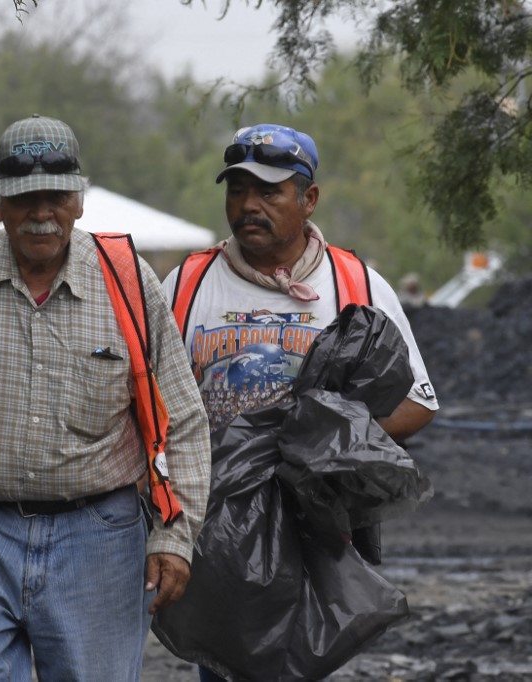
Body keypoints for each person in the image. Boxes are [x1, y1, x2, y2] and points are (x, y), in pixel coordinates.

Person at [0, 114, 212, 681]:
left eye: (55, 197)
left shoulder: (127, 282)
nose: (41, 214)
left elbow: (183, 418)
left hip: (101, 535)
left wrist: (175, 533)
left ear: (80, 201)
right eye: (24, 199)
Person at [161, 123, 439, 681]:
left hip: (315, 530)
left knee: (300, 660)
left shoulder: (354, 284)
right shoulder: (187, 285)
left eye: (269, 192)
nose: (248, 206)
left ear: (308, 199)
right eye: (237, 190)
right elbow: (147, 402)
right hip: (217, 525)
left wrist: (325, 444)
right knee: (222, 659)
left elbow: (418, 403)